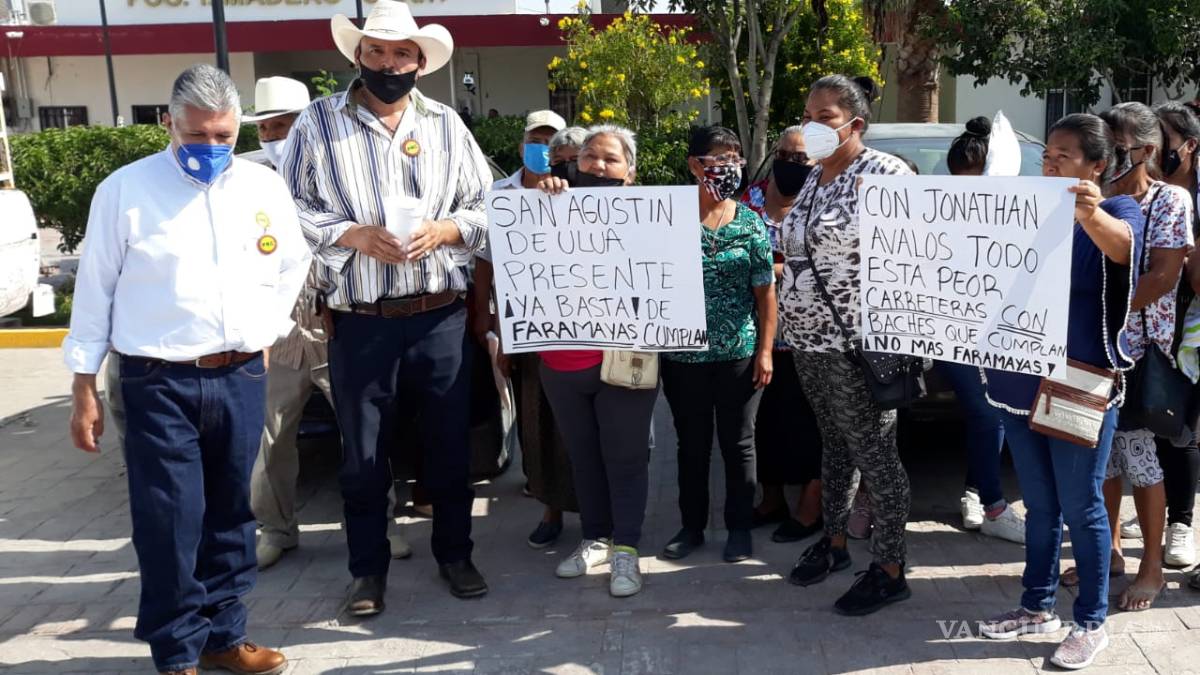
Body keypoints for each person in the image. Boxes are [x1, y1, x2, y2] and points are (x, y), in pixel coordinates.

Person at [65, 64, 309, 675]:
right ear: (168, 124)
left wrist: (268, 329)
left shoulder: (261, 188)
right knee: (171, 519)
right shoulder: (125, 191)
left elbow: (293, 262)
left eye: (222, 136)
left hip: (240, 375)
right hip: (157, 380)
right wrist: (83, 383)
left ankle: (224, 635)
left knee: (231, 513)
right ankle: (177, 652)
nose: (210, 148)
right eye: (196, 135)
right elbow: (94, 291)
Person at [282, 0, 494, 612]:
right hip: (361, 321)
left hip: (439, 315)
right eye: (376, 51)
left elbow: (487, 208)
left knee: (449, 447)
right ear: (358, 55)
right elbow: (286, 207)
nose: (389, 63)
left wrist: (446, 230)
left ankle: (455, 554)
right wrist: (350, 234)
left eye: (402, 53)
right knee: (363, 456)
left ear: (420, 63)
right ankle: (367, 571)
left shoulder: (447, 125)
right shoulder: (317, 123)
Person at [977, 113, 1143, 670]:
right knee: (1040, 503)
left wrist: (1089, 213)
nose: (1050, 166)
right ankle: (1036, 606)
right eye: (1046, 156)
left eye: (1064, 157)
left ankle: (1091, 621)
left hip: (1077, 382)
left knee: (1081, 504)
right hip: (1016, 378)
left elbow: (1123, 249)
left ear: (1097, 165)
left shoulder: (1118, 210)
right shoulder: (1025, 208)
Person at [778, 75, 914, 616]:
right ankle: (833, 541)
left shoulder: (884, 175)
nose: (811, 125)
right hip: (809, 340)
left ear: (855, 124)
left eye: (825, 116)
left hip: (858, 346)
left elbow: (917, 254)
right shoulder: (814, 176)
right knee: (834, 445)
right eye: (807, 114)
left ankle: (890, 568)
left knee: (875, 456)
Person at [1074, 102, 1192, 612]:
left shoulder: (1171, 201)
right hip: (1093, 348)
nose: (1107, 156)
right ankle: (1112, 554)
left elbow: (1163, 276)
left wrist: (1104, 314)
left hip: (1137, 351)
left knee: (1141, 460)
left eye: (1117, 147)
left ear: (1145, 151)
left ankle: (1152, 569)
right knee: (1102, 459)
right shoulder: (1094, 200)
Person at [534, 125, 658, 598]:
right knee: (582, 456)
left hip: (625, 359)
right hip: (562, 360)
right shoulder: (546, 205)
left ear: (630, 171)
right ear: (573, 162)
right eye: (589, 157)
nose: (599, 166)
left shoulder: (653, 218)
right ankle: (595, 538)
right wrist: (542, 200)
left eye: (611, 159)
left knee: (625, 457)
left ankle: (626, 549)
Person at [660, 125, 776, 563]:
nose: (730, 167)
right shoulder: (666, 217)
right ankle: (691, 527)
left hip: (738, 354)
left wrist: (765, 351)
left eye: (735, 159)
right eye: (719, 158)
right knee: (691, 445)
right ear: (695, 164)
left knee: (738, 443)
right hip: (682, 355)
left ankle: (739, 528)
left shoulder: (749, 223)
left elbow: (765, 294)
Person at [472, 112, 583, 550]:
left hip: (587, 334)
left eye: (569, 156)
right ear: (524, 146)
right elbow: (489, 262)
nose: (553, 158)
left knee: (585, 427)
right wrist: (492, 325)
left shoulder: (595, 197)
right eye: (541, 143)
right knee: (537, 422)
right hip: (529, 330)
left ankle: (596, 513)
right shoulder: (500, 197)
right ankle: (549, 506)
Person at [939, 115, 1027, 544]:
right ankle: (991, 503)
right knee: (987, 410)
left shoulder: (1023, 211)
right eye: (958, 181)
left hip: (1004, 333)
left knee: (995, 412)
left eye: (973, 180)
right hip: (949, 333)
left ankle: (976, 492)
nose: (967, 192)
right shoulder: (937, 211)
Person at [741, 126, 826, 545]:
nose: (792, 164)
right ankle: (771, 499)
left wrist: (771, 270)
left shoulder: (825, 203)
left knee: (810, 423)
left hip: (812, 336)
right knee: (765, 423)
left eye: (802, 158)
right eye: (785, 155)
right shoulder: (749, 201)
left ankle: (811, 507)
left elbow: (833, 263)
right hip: (758, 337)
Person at [1152, 101, 1200, 571]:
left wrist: (1181, 258)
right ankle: (1156, 507)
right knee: (1155, 424)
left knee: (1184, 430)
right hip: (1155, 328)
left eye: (1162, 140)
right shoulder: (1141, 191)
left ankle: (1180, 523)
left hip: (1192, 331)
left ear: (1189, 146)